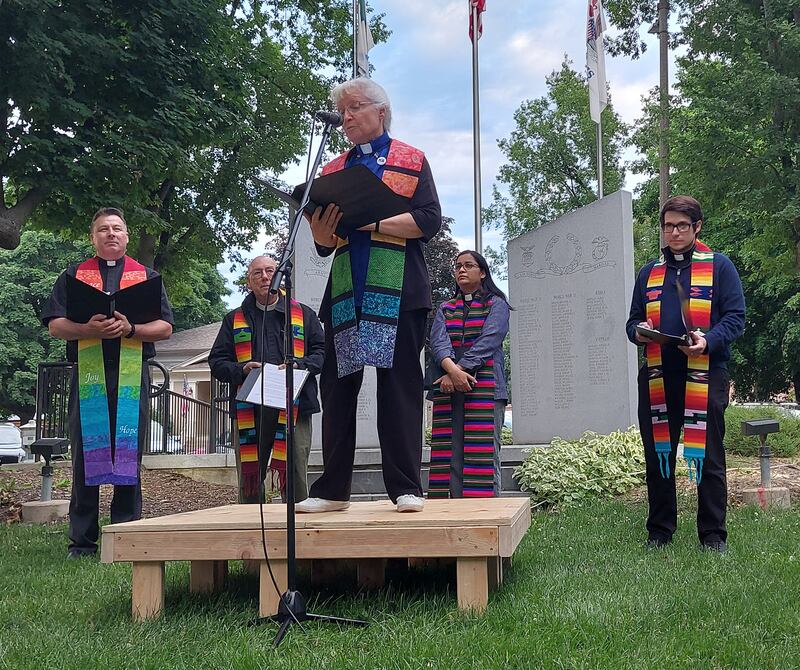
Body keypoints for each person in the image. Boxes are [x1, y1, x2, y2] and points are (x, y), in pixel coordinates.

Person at [296, 77, 442, 514]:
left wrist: (371, 223)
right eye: (342, 111)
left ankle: (405, 486)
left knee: (398, 385)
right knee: (339, 386)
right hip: (346, 290)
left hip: (398, 290)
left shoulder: (411, 160)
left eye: (354, 108)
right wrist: (321, 234)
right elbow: (326, 241)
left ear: (381, 112)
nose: (345, 118)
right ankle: (333, 489)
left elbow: (429, 220)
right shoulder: (333, 168)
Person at [41, 207, 174, 559]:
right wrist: (87, 330)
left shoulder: (146, 277)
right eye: (103, 229)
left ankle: (126, 534)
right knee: (87, 454)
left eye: (117, 228)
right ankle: (82, 542)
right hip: (88, 377)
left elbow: (165, 327)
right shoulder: (74, 276)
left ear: (127, 235)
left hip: (132, 376)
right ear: (93, 237)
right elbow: (55, 324)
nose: (110, 234)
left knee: (129, 454)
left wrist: (131, 329)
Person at [626, 195, 745, 553]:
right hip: (658, 376)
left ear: (697, 227)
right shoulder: (650, 273)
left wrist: (707, 341)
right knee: (658, 452)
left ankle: (712, 536)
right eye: (667, 226)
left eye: (681, 226)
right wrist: (639, 331)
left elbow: (735, 318)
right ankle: (660, 531)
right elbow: (632, 321)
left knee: (709, 455)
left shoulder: (720, 267)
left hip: (705, 373)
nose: (674, 233)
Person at [209, 255, 325, 503]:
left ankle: (296, 534)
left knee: (295, 475)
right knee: (250, 480)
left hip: (295, 406)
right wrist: (242, 369)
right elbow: (217, 362)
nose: (265, 277)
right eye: (257, 273)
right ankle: (251, 531)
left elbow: (321, 353)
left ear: (280, 277)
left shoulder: (303, 315)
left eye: (271, 271)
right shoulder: (234, 319)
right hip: (251, 409)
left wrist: (299, 365)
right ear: (248, 281)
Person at [428, 250, 510, 498]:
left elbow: (490, 340)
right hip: (449, 388)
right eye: (457, 266)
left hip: (487, 387)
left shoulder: (497, 304)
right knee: (450, 456)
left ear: (482, 272)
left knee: (484, 455)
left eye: (468, 265)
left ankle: (488, 517)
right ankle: (449, 517)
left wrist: (458, 370)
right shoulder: (446, 308)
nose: (461, 270)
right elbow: (438, 343)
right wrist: (453, 371)